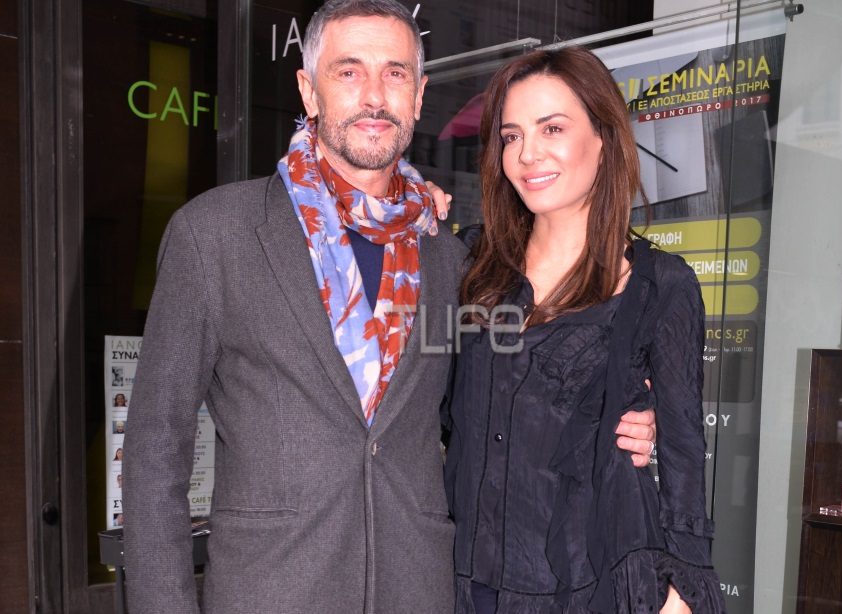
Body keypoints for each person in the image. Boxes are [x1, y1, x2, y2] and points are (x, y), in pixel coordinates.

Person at [122, 2, 656, 612]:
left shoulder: (452, 259)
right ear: (309, 90)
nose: (374, 96)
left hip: (418, 589)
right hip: (270, 590)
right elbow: (155, 446)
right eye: (349, 72)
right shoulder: (216, 235)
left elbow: (491, 410)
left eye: (395, 73)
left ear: (419, 95)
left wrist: (619, 417)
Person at [444, 47, 725, 613]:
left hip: (593, 583)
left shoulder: (659, 285)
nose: (528, 154)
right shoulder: (466, 262)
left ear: (603, 137)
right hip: (463, 583)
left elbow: (684, 456)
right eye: (512, 136)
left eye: (552, 128)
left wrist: (681, 591)